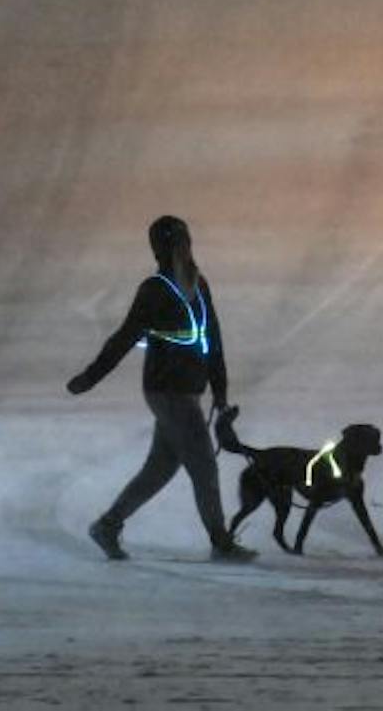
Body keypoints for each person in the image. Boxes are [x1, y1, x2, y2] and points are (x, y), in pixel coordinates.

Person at [66, 215, 257, 563]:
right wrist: (90, 377)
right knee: (204, 468)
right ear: (164, 249)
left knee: (159, 469)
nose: (183, 248)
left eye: (184, 241)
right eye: (177, 243)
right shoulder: (154, 291)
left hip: (187, 392)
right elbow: (124, 338)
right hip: (167, 393)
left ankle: (108, 525)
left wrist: (221, 392)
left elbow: (212, 339)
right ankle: (221, 542)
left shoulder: (200, 285)